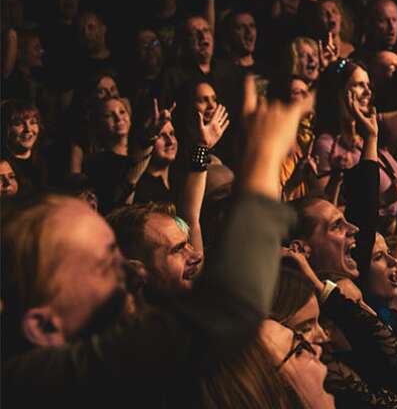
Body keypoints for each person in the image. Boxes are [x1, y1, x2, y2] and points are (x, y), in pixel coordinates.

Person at [0, 86, 308, 401]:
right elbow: (225, 312)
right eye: (105, 264)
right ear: (44, 326)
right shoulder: (47, 378)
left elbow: (191, 212)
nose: (134, 272)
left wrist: (203, 148)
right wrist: (264, 158)